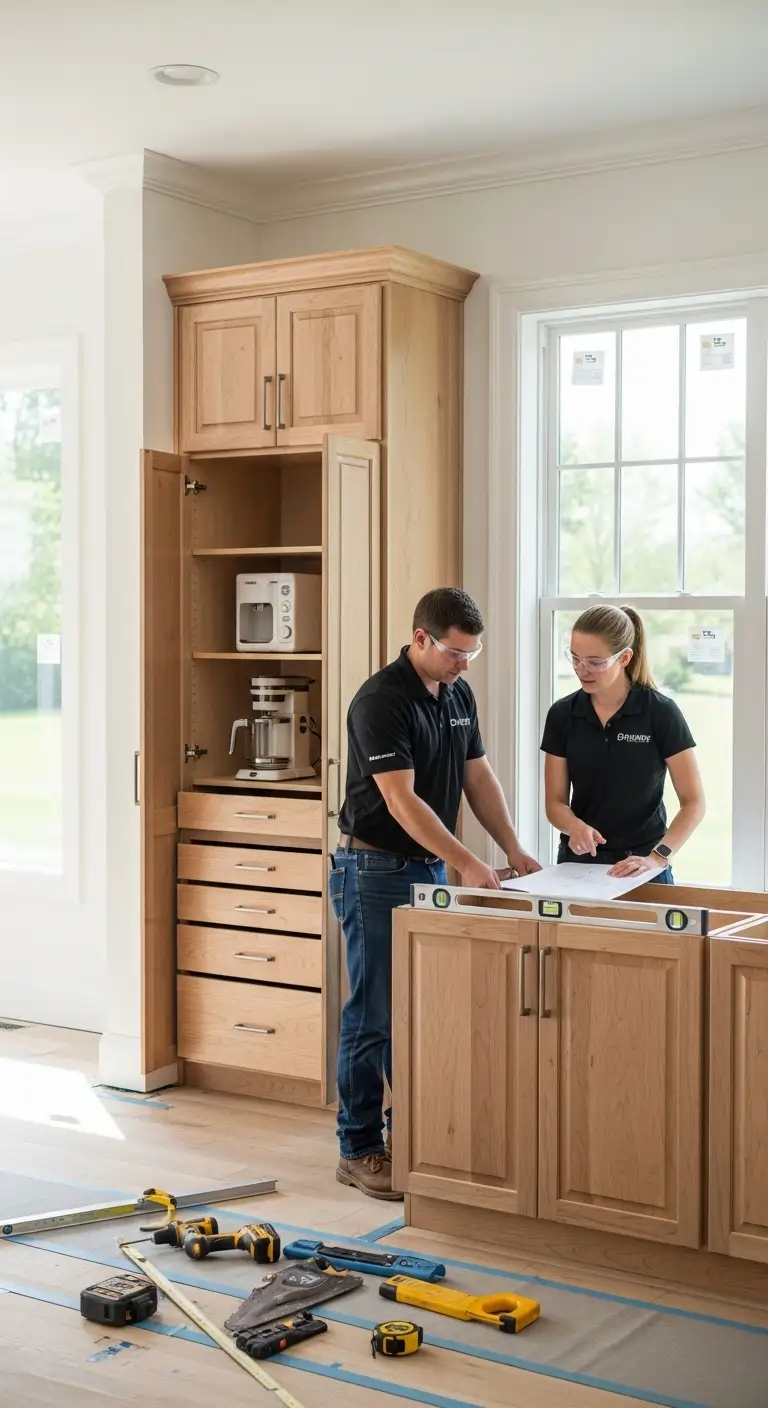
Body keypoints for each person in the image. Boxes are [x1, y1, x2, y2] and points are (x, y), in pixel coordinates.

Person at [330, 587, 540, 1200]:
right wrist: (468, 862)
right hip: (373, 871)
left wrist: (513, 850)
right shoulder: (380, 700)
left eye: (472, 653)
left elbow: (477, 776)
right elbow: (401, 799)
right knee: (373, 1016)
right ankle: (360, 1147)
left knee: (420, 1013)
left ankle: (415, 1136)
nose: (464, 664)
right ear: (420, 638)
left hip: (426, 870)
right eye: (454, 652)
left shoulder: (456, 691)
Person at [541, 604, 705, 884]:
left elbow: (694, 802)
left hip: (644, 869)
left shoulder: (661, 713)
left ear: (625, 658)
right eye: (575, 658)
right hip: (578, 868)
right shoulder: (562, 714)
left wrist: (658, 857)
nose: (582, 670)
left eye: (595, 662)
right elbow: (555, 803)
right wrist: (574, 827)